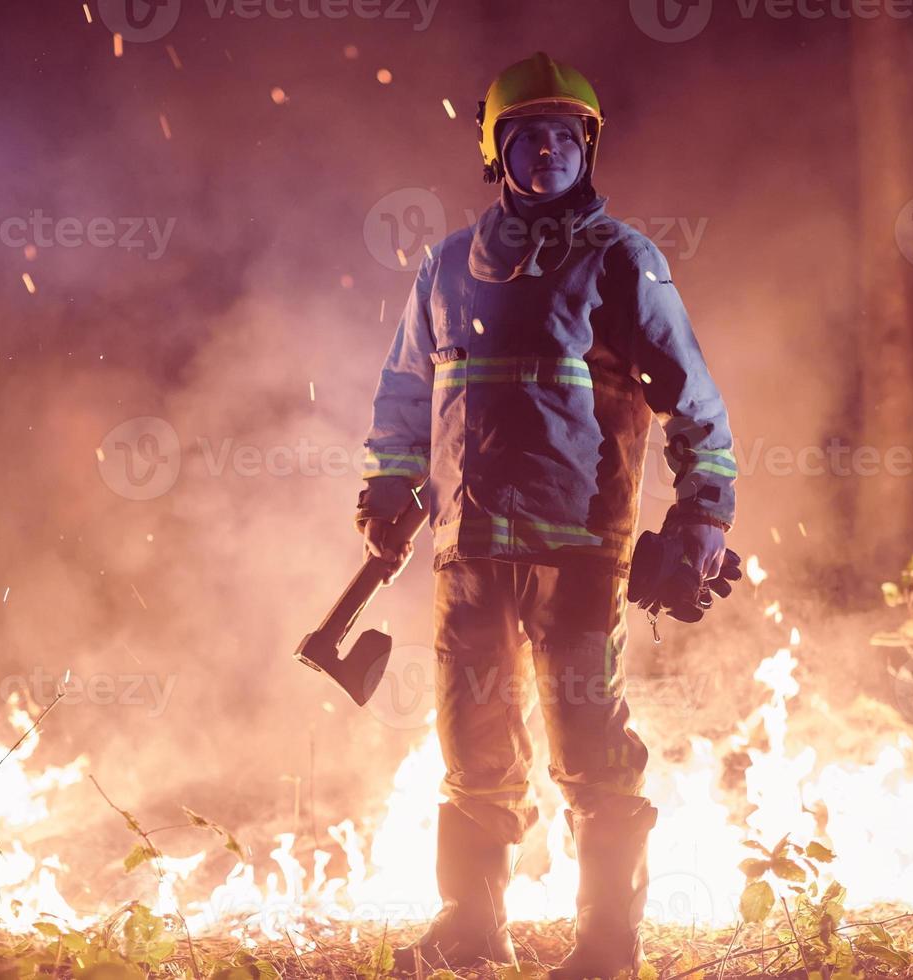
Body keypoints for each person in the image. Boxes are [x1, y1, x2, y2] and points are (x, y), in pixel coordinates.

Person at [354, 51, 738, 979]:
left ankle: (607, 943)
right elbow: (407, 391)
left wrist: (702, 517)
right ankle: (471, 924)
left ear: (589, 151)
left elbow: (695, 402)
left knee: (587, 746)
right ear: (496, 150)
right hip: (470, 547)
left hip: (579, 549)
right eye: (529, 138)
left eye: (567, 138)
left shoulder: (623, 262)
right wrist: (386, 483)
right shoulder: (445, 267)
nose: (549, 154)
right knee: (472, 741)